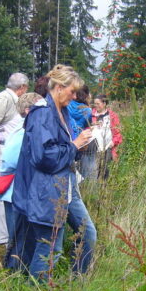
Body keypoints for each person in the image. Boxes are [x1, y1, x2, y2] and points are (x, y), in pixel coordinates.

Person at [13, 65, 97, 279]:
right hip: (48, 189)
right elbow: (44, 157)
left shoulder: (64, 112)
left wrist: (80, 145)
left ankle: (77, 282)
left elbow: (64, 147)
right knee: (50, 249)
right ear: (59, 87)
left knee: (87, 234)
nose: (75, 96)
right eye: (72, 91)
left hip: (67, 184)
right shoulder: (42, 114)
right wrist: (74, 146)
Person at [0, 92, 43, 270]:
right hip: (15, 192)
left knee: (23, 235)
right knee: (17, 236)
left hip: (23, 191)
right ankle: (13, 271)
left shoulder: (29, 131)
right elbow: (8, 162)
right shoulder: (22, 132)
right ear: (28, 110)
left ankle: (20, 270)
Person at [0, 72, 29, 245]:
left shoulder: (11, 99)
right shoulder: (5, 98)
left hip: (6, 148)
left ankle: (0, 234)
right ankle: (2, 236)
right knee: (2, 191)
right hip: (1, 148)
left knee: (4, 193)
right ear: (22, 88)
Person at [67, 85, 95, 180]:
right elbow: (89, 125)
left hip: (70, 138)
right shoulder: (87, 110)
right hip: (82, 141)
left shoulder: (67, 105)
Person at [92, 94, 123, 179]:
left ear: (104, 103)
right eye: (95, 103)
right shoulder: (91, 115)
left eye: (98, 103)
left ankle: (103, 189)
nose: (96, 106)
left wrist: (112, 143)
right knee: (93, 172)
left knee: (104, 172)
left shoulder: (112, 116)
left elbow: (118, 134)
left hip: (107, 148)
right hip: (93, 148)